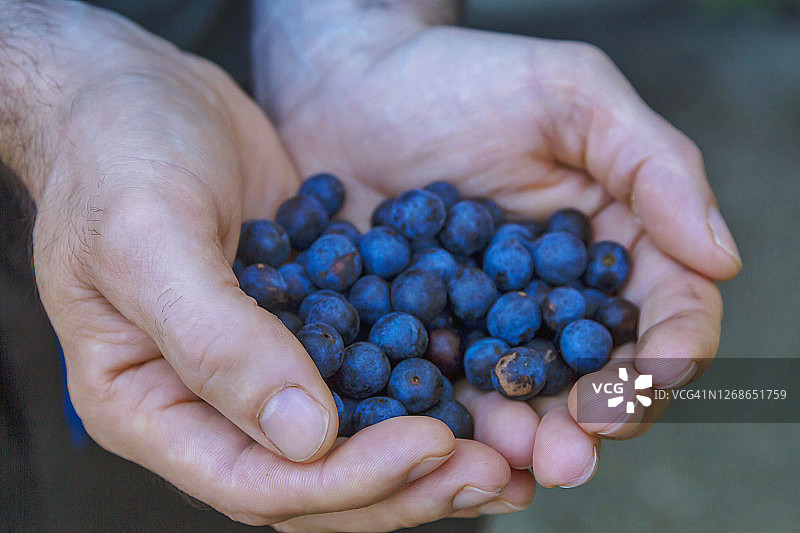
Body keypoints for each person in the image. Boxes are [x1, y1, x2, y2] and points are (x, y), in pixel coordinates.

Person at [0, 0, 741, 531]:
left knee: (431, 471)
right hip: (84, 180)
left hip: (227, 117)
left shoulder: (446, 309)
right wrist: (46, 92)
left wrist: (358, 29)